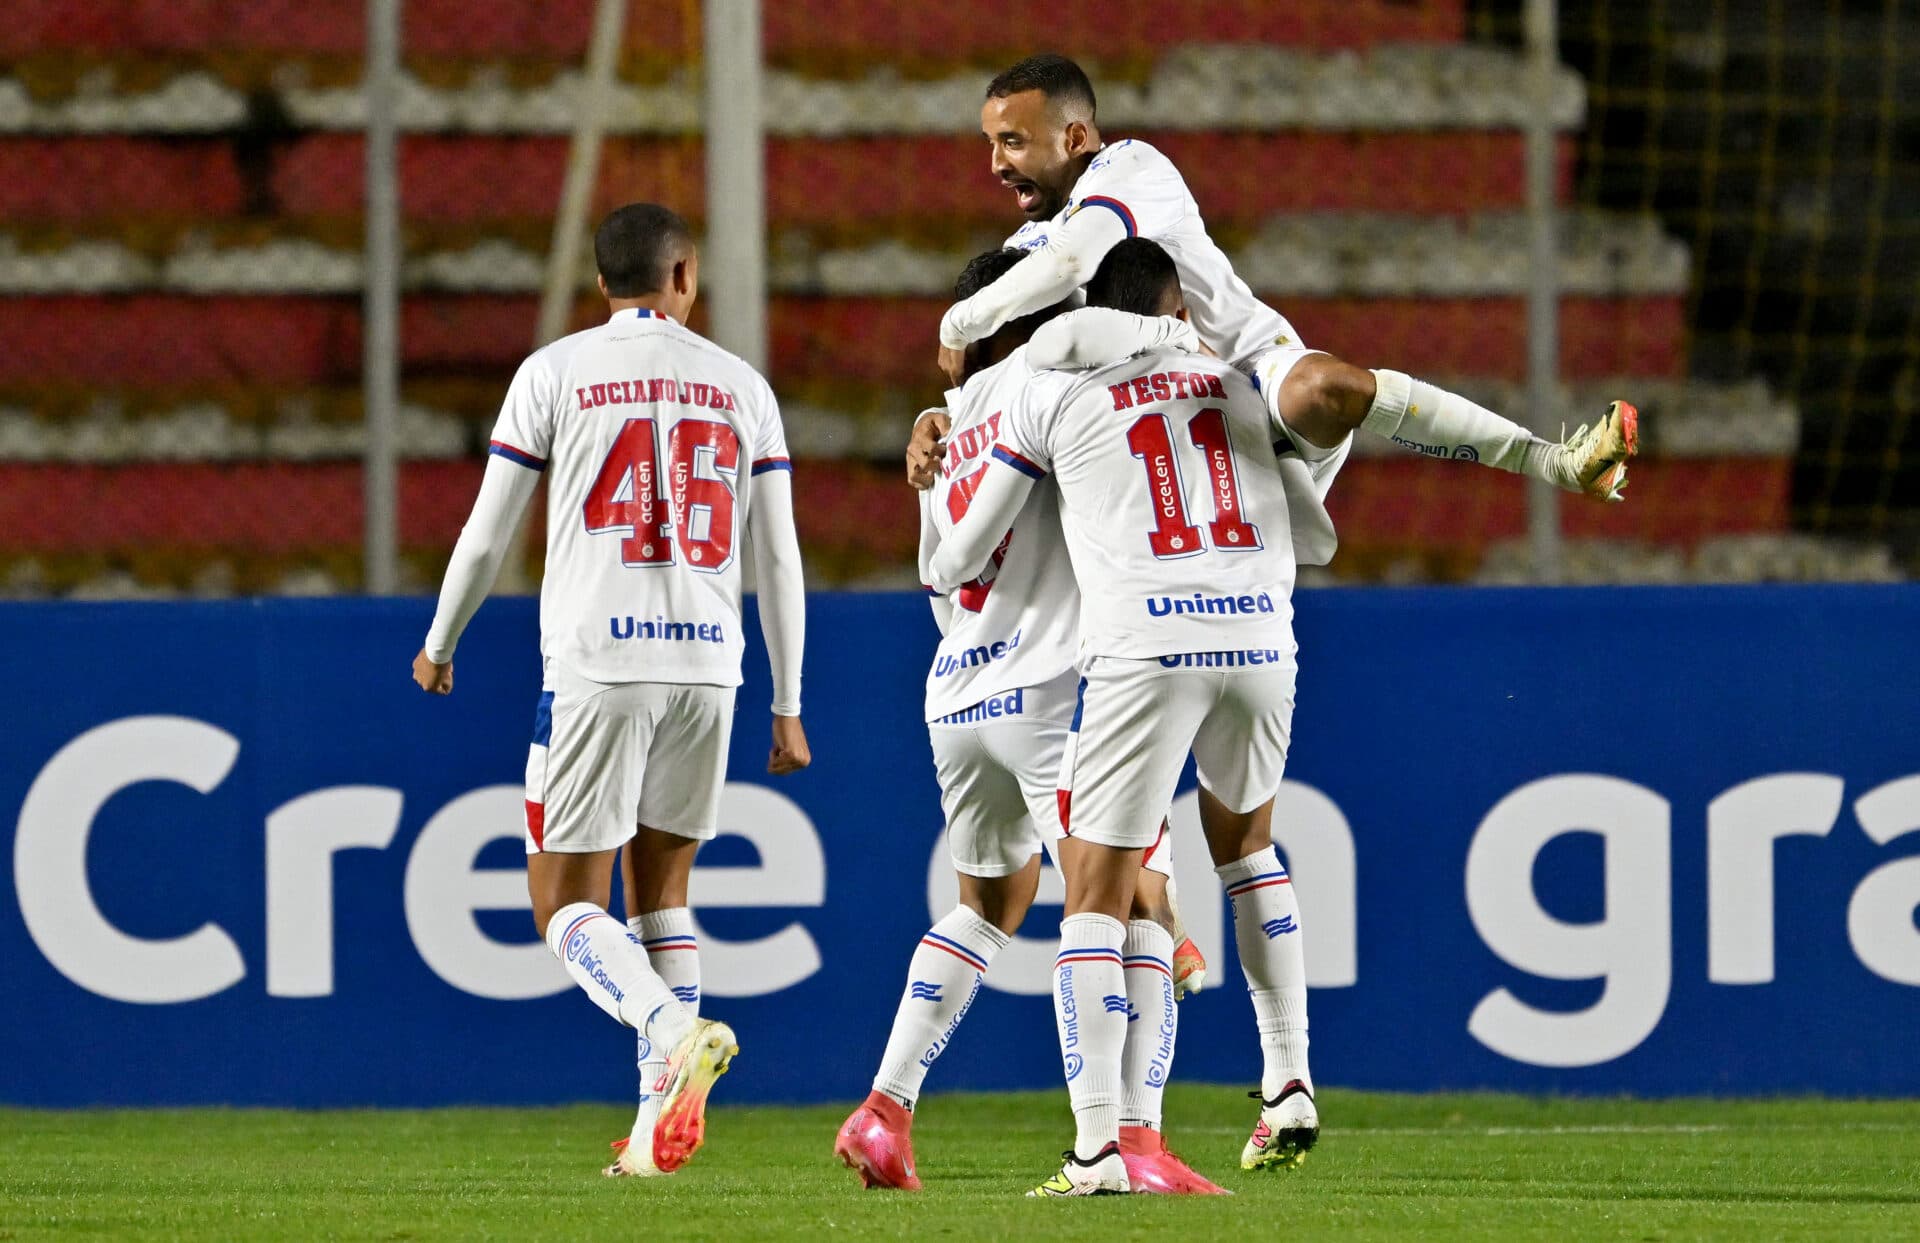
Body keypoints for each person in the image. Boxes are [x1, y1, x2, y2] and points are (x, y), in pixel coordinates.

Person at [410, 202, 810, 1179]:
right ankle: (649, 1137)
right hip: (712, 664)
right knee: (663, 890)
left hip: (600, 662)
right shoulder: (742, 385)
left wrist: (440, 639)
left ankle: (672, 1028)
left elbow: (486, 528)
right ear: (685, 277)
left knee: (561, 903)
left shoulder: (553, 372)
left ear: (601, 284)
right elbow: (780, 556)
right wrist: (788, 698)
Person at [929, 239, 1320, 1196]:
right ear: (1180, 306)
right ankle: (1289, 1078)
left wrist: (943, 457)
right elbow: (1318, 533)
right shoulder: (1240, 383)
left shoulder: (1061, 392)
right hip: (1262, 643)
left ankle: (1098, 1145)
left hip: (1140, 652)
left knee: (1095, 897)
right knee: (1250, 853)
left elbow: (965, 552)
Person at [834, 248, 1223, 1197]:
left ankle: (884, 1109)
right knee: (1133, 901)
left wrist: (933, 421)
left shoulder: (946, 427)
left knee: (990, 905)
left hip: (960, 688)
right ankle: (1128, 1141)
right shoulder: (1053, 389)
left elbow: (939, 571)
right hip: (1058, 689)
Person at [908, 53, 1637, 544]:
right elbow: (1005, 372)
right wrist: (940, 418)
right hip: (1155, 443)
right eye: (990, 143)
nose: (995, 164)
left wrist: (961, 316)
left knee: (1330, 386)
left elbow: (1074, 261)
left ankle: (1556, 462)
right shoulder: (1027, 252)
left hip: (1247, 380)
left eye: (1012, 142)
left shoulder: (1129, 170)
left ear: (1073, 135)